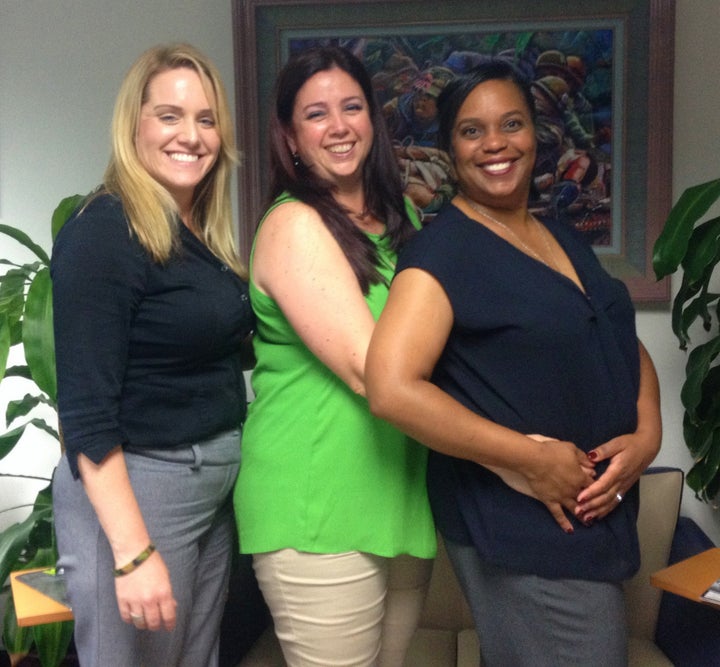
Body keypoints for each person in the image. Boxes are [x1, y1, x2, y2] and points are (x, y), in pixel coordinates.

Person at [366, 59, 662, 667]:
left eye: (511, 124)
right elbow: (391, 389)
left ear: (535, 134)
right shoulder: (441, 250)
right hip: (523, 523)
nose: (495, 144)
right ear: (449, 148)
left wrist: (647, 432)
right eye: (472, 131)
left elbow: (619, 338)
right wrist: (531, 459)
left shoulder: (560, 235)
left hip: (590, 519)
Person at [232, 46, 437, 666]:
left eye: (351, 107)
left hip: (396, 491)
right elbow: (375, 371)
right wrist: (516, 454)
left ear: (373, 119)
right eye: (316, 114)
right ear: (291, 138)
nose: (339, 125)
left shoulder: (400, 215)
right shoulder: (293, 225)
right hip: (316, 499)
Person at [51, 43, 254, 667]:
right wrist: (134, 554)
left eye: (206, 119)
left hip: (208, 493)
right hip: (141, 490)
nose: (190, 136)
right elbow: (86, 411)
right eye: (169, 115)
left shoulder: (198, 234)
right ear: (133, 124)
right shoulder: (105, 231)